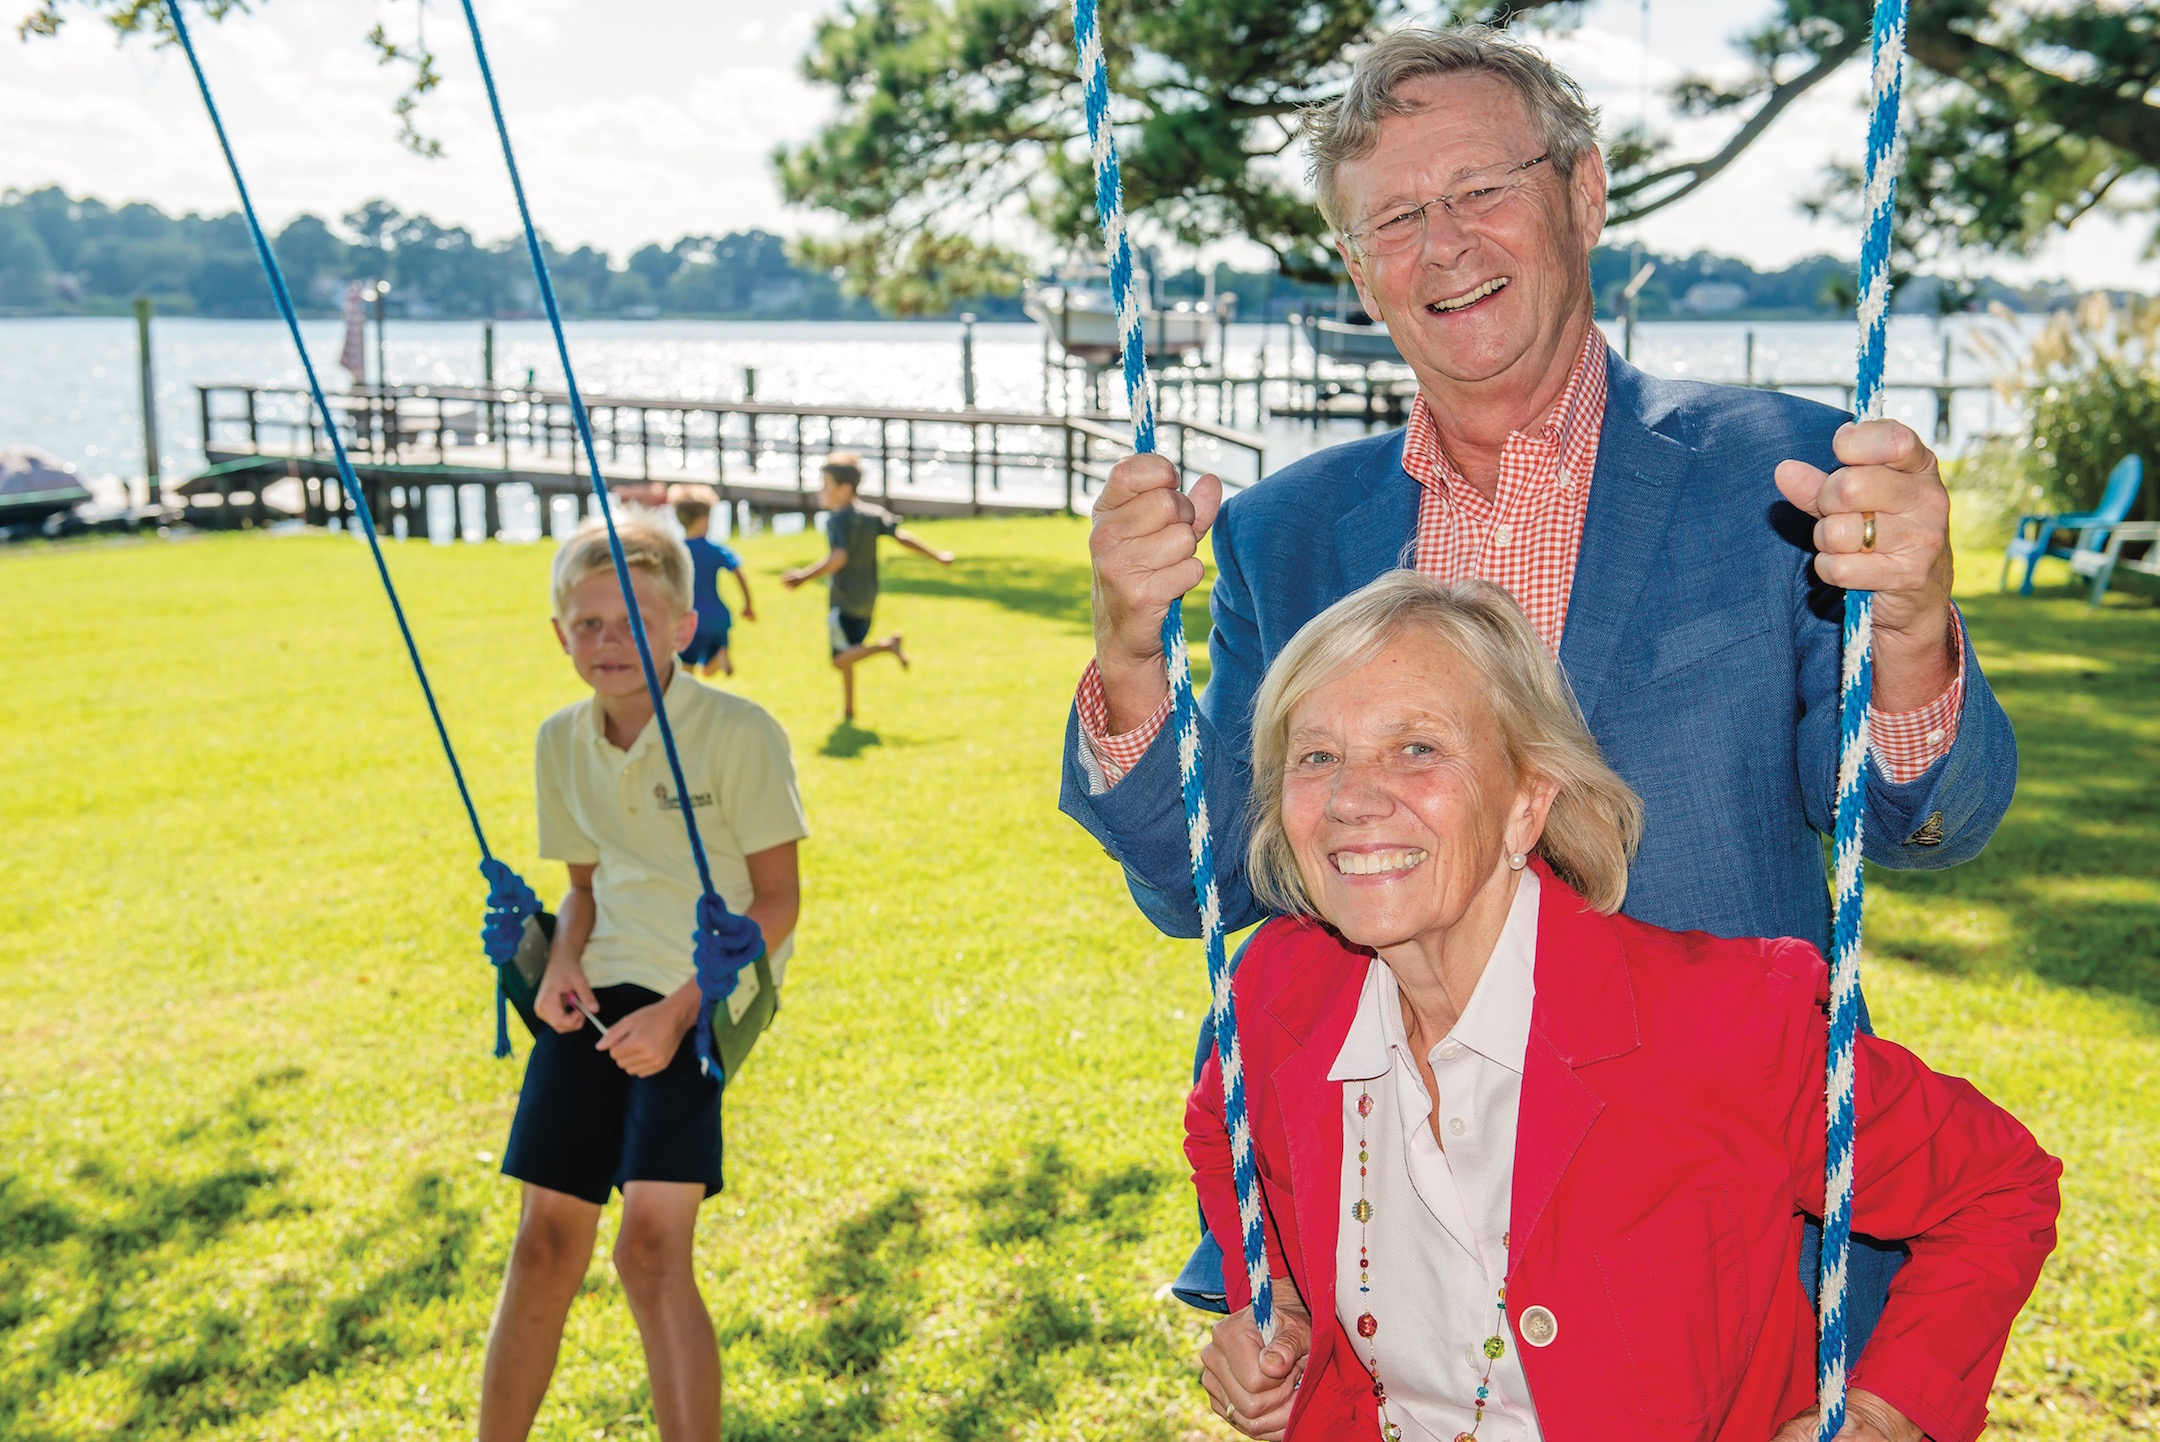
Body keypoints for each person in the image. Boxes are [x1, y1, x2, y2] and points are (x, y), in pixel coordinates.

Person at [1058, 22, 2017, 1360]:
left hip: (1714, 1245)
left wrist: (1907, 625)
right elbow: (1211, 885)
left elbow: (1922, 822)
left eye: (1481, 189)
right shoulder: (1285, 533)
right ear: (1357, 269)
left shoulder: (1785, 477)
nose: (1445, 244)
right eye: (1396, 218)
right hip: (1389, 1243)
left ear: (1585, 192)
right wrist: (1127, 654)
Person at [1187, 573, 2058, 1442]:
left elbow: (1996, 1188)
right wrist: (1279, 1298)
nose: (1350, 799)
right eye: (1316, 756)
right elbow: (1220, 1129)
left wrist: (1883, 1412)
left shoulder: (1728, 1023)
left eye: (1417, 747)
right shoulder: (1281, 987)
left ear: (1527, 800)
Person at [479, 516, 808, 1442]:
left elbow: (778, 902)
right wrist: (561, 961)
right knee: (544, 1244)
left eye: (632, 622)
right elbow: (582, 891)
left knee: (650, 1252)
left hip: (704, 997)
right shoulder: (559, 740)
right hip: (600, 986)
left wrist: (679, 1012)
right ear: (559, 635)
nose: (608, 641)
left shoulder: (739, 732)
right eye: (587, 624)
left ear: (681, 627)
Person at [781, 452, 955, 721]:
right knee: (850, 652)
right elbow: (901, 537)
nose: (820, 490)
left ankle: (887, 646)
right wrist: (937, 555)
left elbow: (839, 557)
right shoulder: (873, 514)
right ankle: (849, 708)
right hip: (868, 598)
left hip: (843, 600)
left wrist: (803, 577)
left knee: (839, 658)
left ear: (845, 489)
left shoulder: (837, 520)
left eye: (826, 484)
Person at [669, 484, 755, 678]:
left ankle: (713, 663)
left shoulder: (676, 552)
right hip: (718, 618)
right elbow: (738, 573)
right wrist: (748, 605)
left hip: (690, 619)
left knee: (687, 670)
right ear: (703, 520)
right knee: (707, 671)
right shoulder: (715, 549)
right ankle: (719, 656)